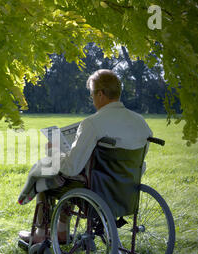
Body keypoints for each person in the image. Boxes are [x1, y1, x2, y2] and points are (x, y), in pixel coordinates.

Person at [18, 69, 153, 244]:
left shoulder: (92, 123)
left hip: (94, 192)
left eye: (92, 95)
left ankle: (41, 233)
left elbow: (71, 167)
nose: (93, 100)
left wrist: (54, 152)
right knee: (71, 176)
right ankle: (59, 232)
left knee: (47, 179)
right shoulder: (140, 122)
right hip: (125, 191)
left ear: (101, 94)